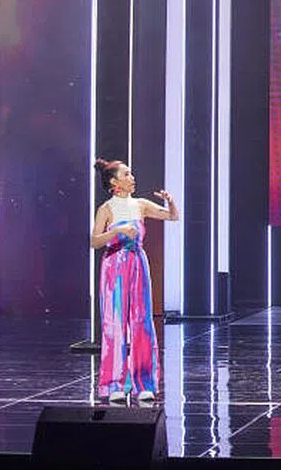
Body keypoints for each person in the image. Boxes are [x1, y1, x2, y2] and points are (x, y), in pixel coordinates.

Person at [90, 159, 179, 403]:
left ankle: (144, 382)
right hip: (114, 266)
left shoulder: (141, 204)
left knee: (142, 321)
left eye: (131, 174)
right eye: (127, 174)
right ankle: (114, 384)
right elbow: (95, 241)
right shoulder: (106, 209)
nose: (132, 178)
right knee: (115, 323)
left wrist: (170, 201)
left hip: (137, 263)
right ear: (114, 182)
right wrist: (116, 231)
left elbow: (172, 216)